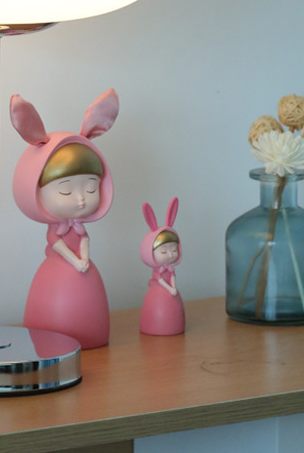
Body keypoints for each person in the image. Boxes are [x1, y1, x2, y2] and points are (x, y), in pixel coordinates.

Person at [10, 90, 118, 349]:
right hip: (65, 268)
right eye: (67, 191)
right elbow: (58, 244)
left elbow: (84, 240)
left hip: (82, 268)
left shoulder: (78, 227)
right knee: (49, 334)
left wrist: (84, 259)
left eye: (90, 188)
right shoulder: (57, 232)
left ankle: (89, 336)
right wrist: (76, 261)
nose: (81, 199)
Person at [139, 198, 185, 336]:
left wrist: (173, 287)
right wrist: (170, 289)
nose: (170, 255)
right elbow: (160, 280)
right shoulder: (159, 272)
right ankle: (155, 325)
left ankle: (173, 326)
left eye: (174, 250)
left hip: (171, 292)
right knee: (158, 305)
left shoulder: (170, 269)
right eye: (164, 252)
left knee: (172, 310)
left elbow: (172, 276)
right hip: (162, 290)